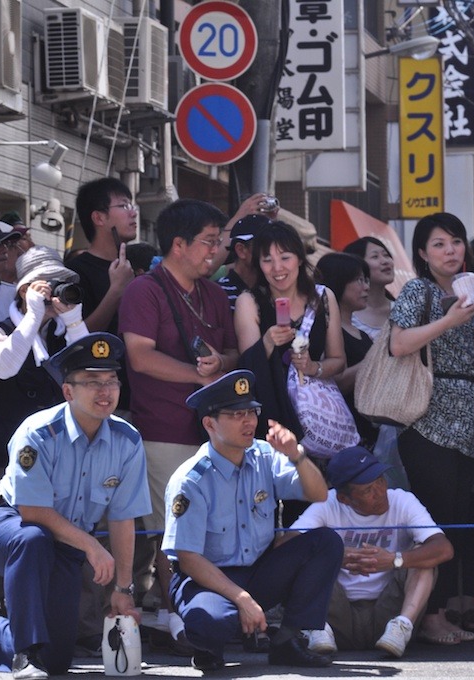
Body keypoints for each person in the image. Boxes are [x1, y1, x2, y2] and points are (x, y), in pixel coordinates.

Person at [0, 333, 151, 679]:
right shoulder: (39, 432)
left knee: (57, 660)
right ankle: (24, 655)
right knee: (33, 539)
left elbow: (123, 518)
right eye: (92, 382)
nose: (105, 391)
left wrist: (122, 589)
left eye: (111, 381)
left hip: (66, 544)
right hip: (7, 523)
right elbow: (32, 513)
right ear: (68, 391)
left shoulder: (127, 441)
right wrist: (91, 545)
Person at [119, 198, 238, 653]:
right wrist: (200, 375)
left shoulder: (212, 292)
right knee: (173, 527)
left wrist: (219, 362)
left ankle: (195, 614)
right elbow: (139, 356)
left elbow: (232, 353)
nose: (216, 251)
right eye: (209, 242)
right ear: (179, 244)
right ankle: (176, 615)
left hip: (211, 432)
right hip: (162, 428)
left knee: (207, 527)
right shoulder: (144, 290)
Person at [163, 370, 343, 670]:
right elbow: (188, 559)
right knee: (211, 623)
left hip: (257, 569)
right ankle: (210, 648)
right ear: (209, 423)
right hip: (205, 579)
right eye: (236, 415)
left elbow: (319, 493)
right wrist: (242, 599)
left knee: (325, 542)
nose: (249, 422)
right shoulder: (191, 480)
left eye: (251, 412)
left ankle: (286, 641)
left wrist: (297, 455)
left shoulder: (264, 456)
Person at [387, 212, 474, 644]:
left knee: (460, 522)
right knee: (436, 523)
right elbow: (399, 343)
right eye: (439, 244)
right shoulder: (418, 290)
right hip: (427, 419)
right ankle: (427, 615)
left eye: (456, 241)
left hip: (469, 420)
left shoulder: (471, 293)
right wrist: (451, 319)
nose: (451, 250)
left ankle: (444, 609)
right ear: (423, 254)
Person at [285, 446, 454, 657]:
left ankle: (402, 626)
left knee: (423, 554)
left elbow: (444, 549)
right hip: (337, 614)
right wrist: (334, 554)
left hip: (387, 613)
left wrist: (395, 560)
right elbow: (285, 547)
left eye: (381, 481)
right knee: (304, 552)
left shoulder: (402, 500)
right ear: (344, 499)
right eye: (367, 490)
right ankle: (317, 628)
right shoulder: (327, 504)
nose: (380, 493)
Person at [0, 247, 88, 491]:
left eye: (62, 283)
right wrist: (33, 317)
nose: (55, 292)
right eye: (48, 285)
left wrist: (75, 322)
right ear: (24, 291)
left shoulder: (65, 333)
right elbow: (4, 367)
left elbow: (91, 372)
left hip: (61, 454)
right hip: (7, 457)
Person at [234, 221, 346, 442]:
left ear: (300, 258)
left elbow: (339, 361)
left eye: (285, 258)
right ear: (258, 264)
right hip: (273, 421)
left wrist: (313, 367)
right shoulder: (249, 302)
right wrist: (266, 343)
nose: (277, 268)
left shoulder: (323, 297)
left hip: (318, 419)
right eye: (267, 260)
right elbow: (247, 370)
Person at [315, 252, 378, 447]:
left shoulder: (364, 335)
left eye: (366, 280)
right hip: (343, 432)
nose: (366, 287)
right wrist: (374, 360)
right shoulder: (323, 334)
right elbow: (334, 383)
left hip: (371, 430)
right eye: (359, 280)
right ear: (338, 282)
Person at [68, 178, 136, 336]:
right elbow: (76, 337)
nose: (133, 213)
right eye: (123, 206)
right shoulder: (75, 272)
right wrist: (117, 290)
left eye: (132, 206)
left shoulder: (134, 265)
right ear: (99, 218)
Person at [213, 213, 272, 311]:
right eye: (265, 244)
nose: (272, 251)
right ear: (241, 250)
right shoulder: (217, 294)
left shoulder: (274, 288)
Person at [343, 237, 396, 339]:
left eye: (386, 255)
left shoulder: (401, 310)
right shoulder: (346, 315)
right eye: (375, 256)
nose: (385, 261)